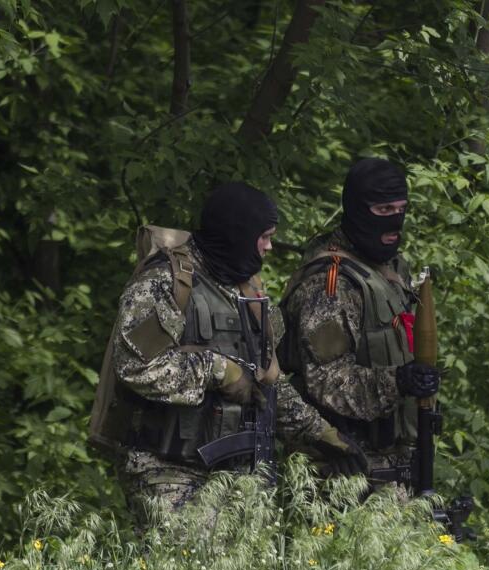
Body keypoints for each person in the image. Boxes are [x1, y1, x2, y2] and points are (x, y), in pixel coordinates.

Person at [110, 182, 365, 526]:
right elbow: (136, 366)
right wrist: (218, 370)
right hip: (166, 469)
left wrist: (321, 434)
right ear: (238, 233)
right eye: (264, 236)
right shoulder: (164, 283)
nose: (269, 247)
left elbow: (268, 384)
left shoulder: (247, 291)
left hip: (240, 476)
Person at [278, 158, 439, 480]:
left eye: (401, 209)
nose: (395, 222)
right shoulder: (330, 284)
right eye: (383, 211)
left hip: (394, 463)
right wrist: (399, 381)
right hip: (342, 467)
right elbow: (327, 380)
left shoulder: (391, 270)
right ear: (356, 209)